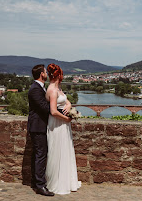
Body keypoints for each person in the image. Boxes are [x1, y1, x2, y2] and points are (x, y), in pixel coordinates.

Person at [45, 63, 82, 195]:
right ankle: (58, 182)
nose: (62, 77)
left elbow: (66, 101)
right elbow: (53, 111)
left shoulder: (58, 88)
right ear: (58, 75)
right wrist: (66, 119)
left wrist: (69, 105)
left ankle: (68, 180)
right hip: (57, 123)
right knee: (57, 151)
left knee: (65, 150)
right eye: (61, 75)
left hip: (63, 124)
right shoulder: (52, 90)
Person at [27, 64, 54, 196]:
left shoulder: (39, 88)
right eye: (45, 72)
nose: (47, 74)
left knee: (39, 154)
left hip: (40, 126)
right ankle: (40, 186)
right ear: (41, 74)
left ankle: (36, 181)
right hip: (38, 127)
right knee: (40, 155)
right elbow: (44, 107)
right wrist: (61, 110)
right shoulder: (35, 89)